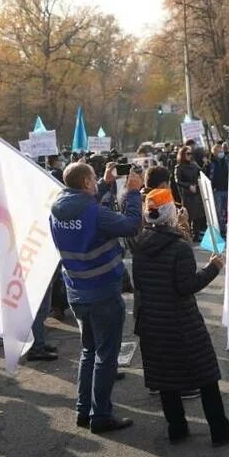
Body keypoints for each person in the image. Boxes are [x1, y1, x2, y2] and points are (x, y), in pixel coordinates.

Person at [131, 188, 229, 446]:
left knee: (166, 378)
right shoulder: (178, 247)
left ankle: (177, 428)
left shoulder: (140, 244)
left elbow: (141, 283)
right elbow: (186, 286)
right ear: (171, 214)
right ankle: (219, 430)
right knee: (205, 376)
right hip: (181, 321)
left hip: (152, 321)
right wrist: (213, 267)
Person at [50, 162, 143, 433]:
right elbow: (131, 225)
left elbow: (81, 206)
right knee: (106, 355)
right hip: (103, 291)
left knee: (89, 351)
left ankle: (84, 409)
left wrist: (102, 183)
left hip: (76, 290)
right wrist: (134, 193)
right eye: (93, 180)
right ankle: (100, 414)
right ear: (86, 183)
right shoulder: (95, 213)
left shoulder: (57, 210)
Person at [174, 147, 207, 242]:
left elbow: (201, 173)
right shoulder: (179, 167)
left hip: (196, 193)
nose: (190, 156)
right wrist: (188, 186)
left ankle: (196, 235)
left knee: (197, 216)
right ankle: (186, 235)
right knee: (188, 215)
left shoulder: (194, 165)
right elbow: (178, 181)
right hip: (187, 194)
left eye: (190, 154)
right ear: (183, 155)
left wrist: (205, 164)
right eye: (187, 154)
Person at [206, 143, 229, 236]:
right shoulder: (210, 163)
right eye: (219, 151)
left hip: (227, 189)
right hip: (217, 191)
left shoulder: (226, 161)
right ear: (214, 152)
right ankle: (222, 230)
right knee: (219, 211)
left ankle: (228, 228)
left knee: (228, 210)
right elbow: (208, 176)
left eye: (222, 151)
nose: (221, 153)